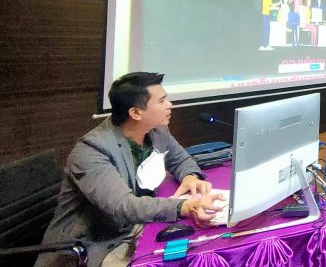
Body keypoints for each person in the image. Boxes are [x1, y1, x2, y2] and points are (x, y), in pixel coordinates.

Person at [36, 73, 224, 267]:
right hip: (95, 245)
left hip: (139, 226)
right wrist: (183, 206)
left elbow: (181, 159)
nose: (169, 105)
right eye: (161, 101)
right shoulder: (92, 150)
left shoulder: (156, 130)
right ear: (136, 113)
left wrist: (190, 176)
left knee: (204, 244)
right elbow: (123, 206)